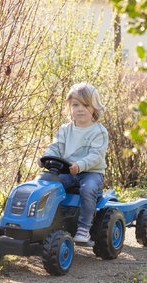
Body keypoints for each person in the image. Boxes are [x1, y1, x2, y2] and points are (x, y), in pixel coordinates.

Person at [38, 82, 109, 243]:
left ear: (94, 107)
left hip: (91, 173)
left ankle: (84, 228)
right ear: (69, 107)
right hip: (68, 172)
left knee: (88, 189)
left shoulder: (99, 131)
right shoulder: (65, 129)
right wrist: (45, 157)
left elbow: (96, 156)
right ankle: (48, 222)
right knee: (46, 185)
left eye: (85, 105)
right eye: (76, 105)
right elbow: (55, 147)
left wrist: (80, 165)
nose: (80, 109)